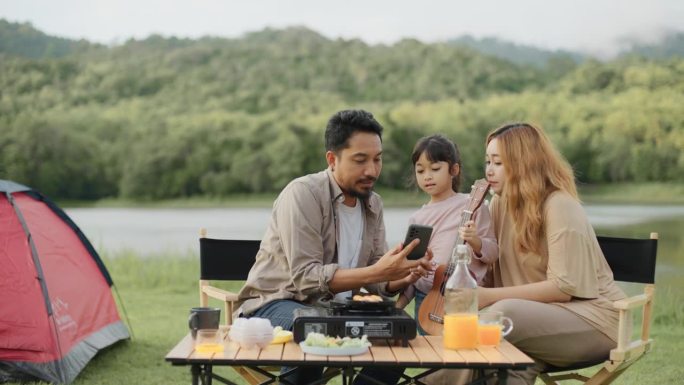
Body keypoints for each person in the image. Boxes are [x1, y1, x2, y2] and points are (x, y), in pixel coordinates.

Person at [236, 109, 433, 385]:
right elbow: (306, 278)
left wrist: (401, 274)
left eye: (377, 159)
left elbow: (376, 281)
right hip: (273, 304)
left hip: (335, 311)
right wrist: (378, 271)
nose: (372, 170)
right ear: (332, 159)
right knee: (315, 329)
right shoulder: (303, 194)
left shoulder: (373, 204)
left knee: (397, 334)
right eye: (360, 160)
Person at [476, 122, 627, 385]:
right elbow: (491, 264)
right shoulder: (499, 203)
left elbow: (562, 287)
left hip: (595, 321)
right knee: (509, 366)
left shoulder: (559, 205)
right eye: (487, 161)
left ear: (524, 163)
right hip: (538, 320)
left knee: (499, 317)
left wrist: (486, 297)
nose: (489, 170)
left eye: (498, 162)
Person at [397, 134, 497, 322]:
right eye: (420, 171)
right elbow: (412, 269)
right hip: (424, 300)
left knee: (459, 346)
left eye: (435, 169)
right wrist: (397, 307)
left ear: (454, 169)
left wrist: (475, 241)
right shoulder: (417, 218)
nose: (427, 176)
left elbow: (493, 253)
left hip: (461, 297)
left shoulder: (472, 206)